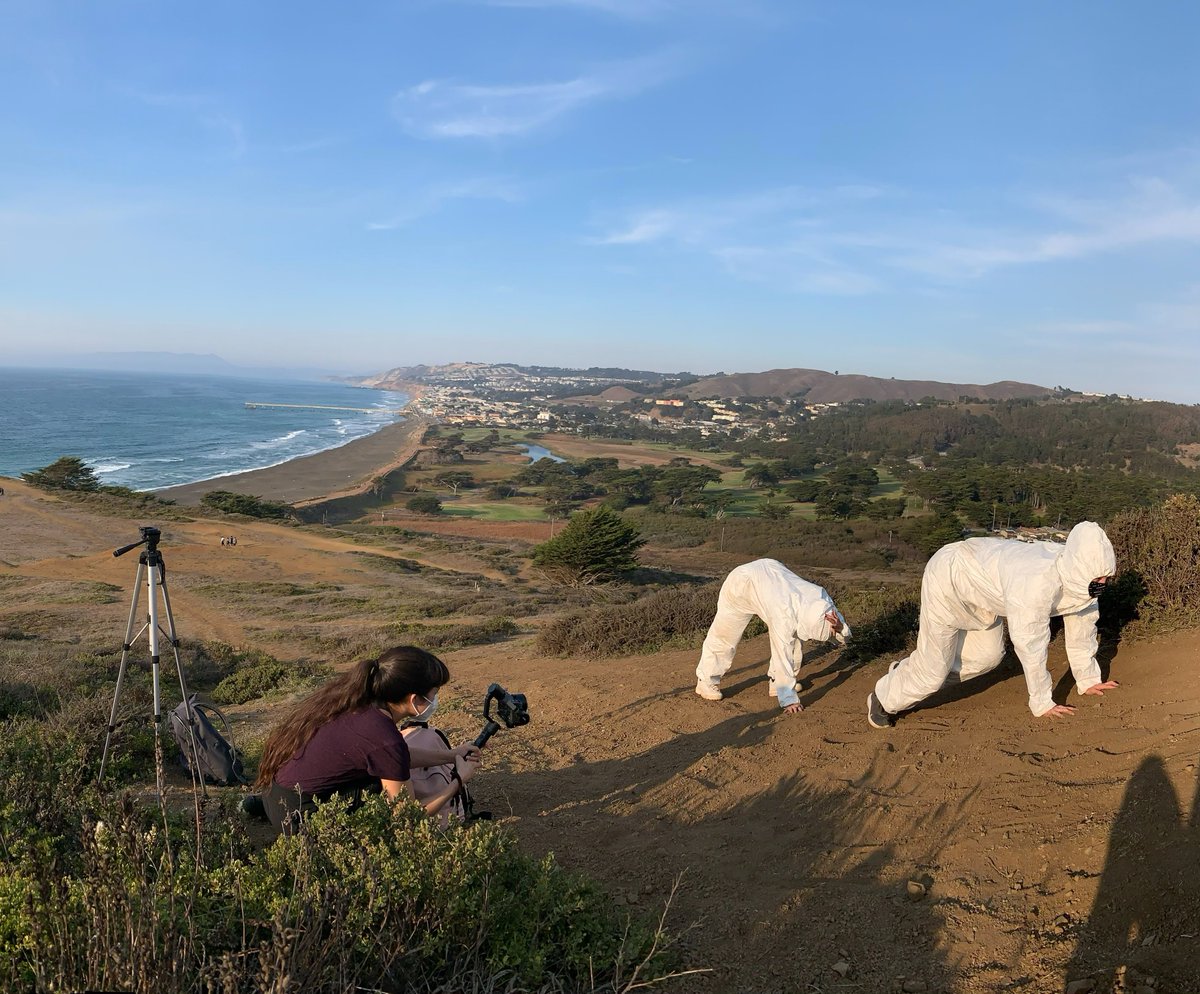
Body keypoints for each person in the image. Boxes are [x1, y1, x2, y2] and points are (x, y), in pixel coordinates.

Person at [867, 521, 1118, 729]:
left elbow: (1083, 624)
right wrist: (1042, 702)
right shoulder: (1036, 582)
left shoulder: (1081, 576)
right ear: (1080, 569)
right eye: (1098, 578)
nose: (1103, 584)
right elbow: (1031, 645)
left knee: (989, 657)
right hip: (948, 580)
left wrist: (1087, 679)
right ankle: (882, 697)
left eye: (1107, 577)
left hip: (983, 595)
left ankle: (907, 672)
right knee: (933, 673)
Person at [251, 645, 481, 832]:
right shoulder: (384, 736)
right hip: (299, 819)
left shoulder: (358, 702)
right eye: (434, 692)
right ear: (414, 699)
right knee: (379, 793)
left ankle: (257, 807)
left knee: (380, 776)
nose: (436, 697)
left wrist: (451, 755)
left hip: (276, 797)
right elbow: (406, 815)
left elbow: (396, 755)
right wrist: (458, 781)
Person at [695, 558, 850, 713]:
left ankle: (777, 682)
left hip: (771, 573)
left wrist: (840, 628)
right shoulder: (784, 613)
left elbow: (845, 636)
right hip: (741, 583)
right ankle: (706, 680)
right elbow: (781, 649)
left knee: (795, 636)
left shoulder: (825, 605)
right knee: (726, 634)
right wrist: (789, 699)